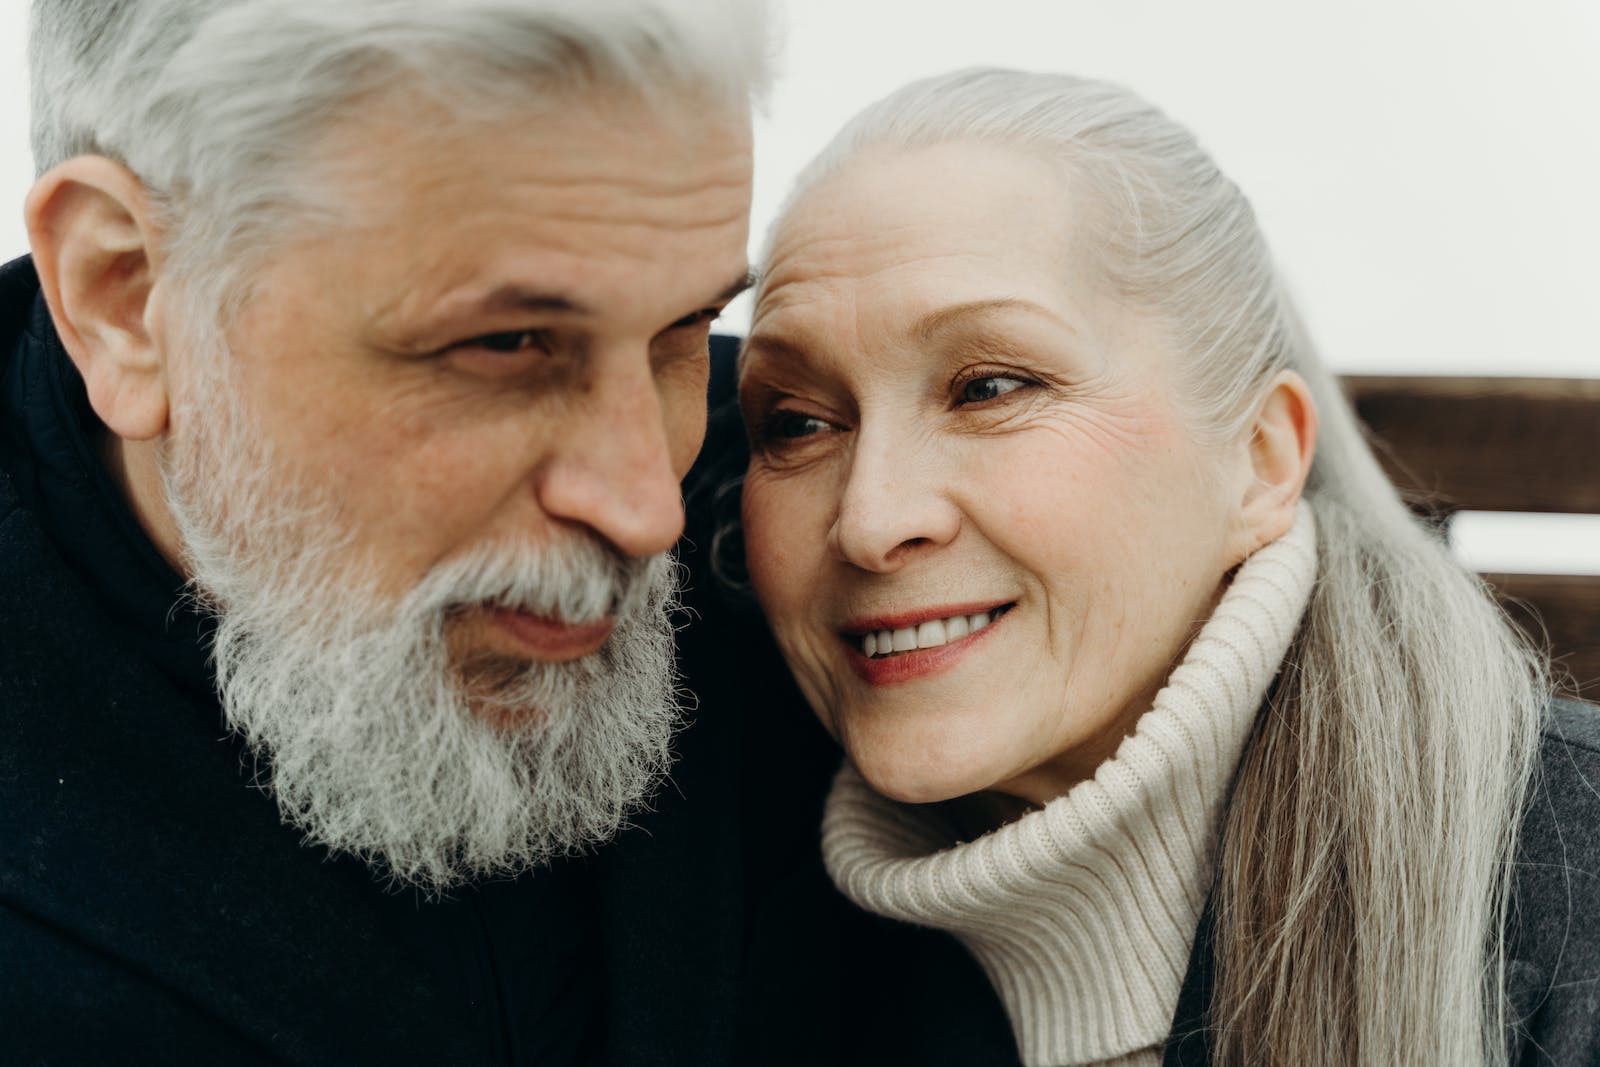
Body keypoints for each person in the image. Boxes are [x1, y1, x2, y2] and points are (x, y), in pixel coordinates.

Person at [731, 69, 1600, 1066]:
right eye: (794, 422)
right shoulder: (731, 952)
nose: (870, 520)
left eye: (990, 387)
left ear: (1261, 459)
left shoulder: (1568, 896)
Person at [0, 1, 795, 1062]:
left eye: (681, 332)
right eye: (506, 344)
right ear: (125, 296)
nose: (648, 506)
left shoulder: (826, 527)